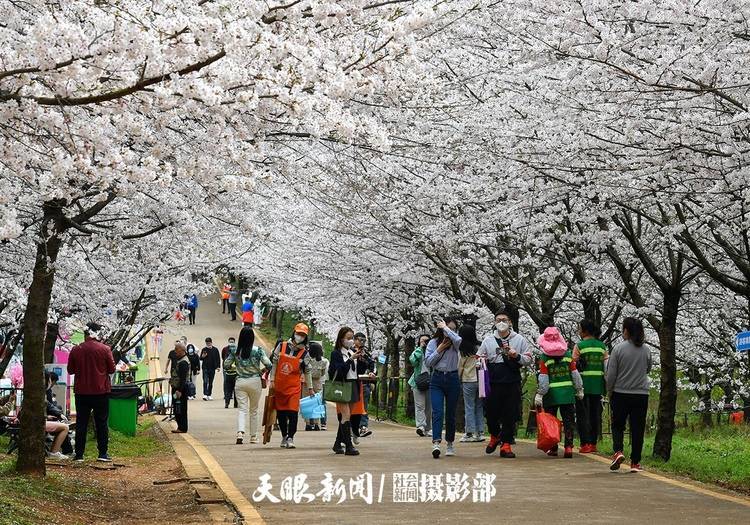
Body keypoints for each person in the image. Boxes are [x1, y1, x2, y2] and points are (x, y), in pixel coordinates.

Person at [477, 309, 532, 459]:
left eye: (504, 320)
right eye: (498, 320)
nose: (501, 323)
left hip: (511, 380)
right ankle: (495, 435)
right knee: (491, 412)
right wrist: (481, 361)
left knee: (510, 413)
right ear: (494, 323)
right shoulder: (488, 340)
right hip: (493, 380)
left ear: (510, 322)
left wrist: (516, 355)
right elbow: (479, 358)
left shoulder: (519, 339)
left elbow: (528, 359)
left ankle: (506, 444)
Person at [607, 317, 652, 473]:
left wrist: (609, 390)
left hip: (621, 393)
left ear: (626, 330)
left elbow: (611, 374)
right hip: (641, 394)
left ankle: (618, 451)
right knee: (637, 428)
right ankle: (635, 462)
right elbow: (648, 369)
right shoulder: (646, 349)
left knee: (618, 425)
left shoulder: (618, 349)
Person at [67, 322, 116, 462]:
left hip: (82, 392)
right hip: (101, 391)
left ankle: (79, 454)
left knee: (81, 423)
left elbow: (70, 370)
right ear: (98, 333)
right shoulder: (105, 349)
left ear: (85, 333)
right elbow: (112, 369)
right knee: (101, 422)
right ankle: (102, 453)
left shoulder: (76, 349)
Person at [535, 326, 584, 458]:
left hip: (551, 396)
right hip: (568, 394)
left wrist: (540, 394)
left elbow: (544, 380)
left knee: (551, 421)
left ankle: (554, 447)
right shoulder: (568, 356)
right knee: (568, 421)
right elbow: (575, 374)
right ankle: (568, 447)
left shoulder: (544, 358)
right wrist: (579, 389)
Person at [269, 323, 314, 448]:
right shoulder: (281, 346)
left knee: (293, 412)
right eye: (298, 333)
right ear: (294, 332)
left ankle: (291, 437)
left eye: (303, 335)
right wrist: (272, 380)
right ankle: (284, 436)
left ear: (305, 337)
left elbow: (308, 371)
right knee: (281, 413)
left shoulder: (305, 353)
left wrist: (310, 388)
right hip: (279, 385)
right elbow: (274, 364)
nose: (300, 336)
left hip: (294, 387)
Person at [225, 326, 271, 444]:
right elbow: (269, 364)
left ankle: (240, 432)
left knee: (242, 409)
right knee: (253, 410)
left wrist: (236, 368)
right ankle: (253, 436)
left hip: (240, 382)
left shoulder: (235, 350)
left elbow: (226, 365)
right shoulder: (258, 350)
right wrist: (262, 371)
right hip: (255, 381)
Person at [425, 318, 462, 459]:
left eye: (452, 329)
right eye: (447, 328)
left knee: (451, 413)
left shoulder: (456, 343)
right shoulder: (433, 343)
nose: (449, 331)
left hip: (453, 378)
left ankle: (450, 443)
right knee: (437, 411)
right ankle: (436, 442)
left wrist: (446, 329)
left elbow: (458, 340)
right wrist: (439, 349)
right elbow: (428, 362)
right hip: (437, 379)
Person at [329, 327, 368, 456]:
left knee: (348, 415)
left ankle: (337, 443)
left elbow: (359, 371)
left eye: (352, 338)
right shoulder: (336, 353)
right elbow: (339, 371)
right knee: (345, 415)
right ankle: (349, 446)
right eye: (348, 338)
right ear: (341, 339)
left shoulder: (352, 352)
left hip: (353, 385)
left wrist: (361, 360)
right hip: (341, 385)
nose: (351, 341)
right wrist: (350, 359)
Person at [573, 319, 608, 453]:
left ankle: (585, 443)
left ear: (585, 330)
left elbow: (573, 366)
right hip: (597, 385)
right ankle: (593, 443)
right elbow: (606, 367)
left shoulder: (580, 346)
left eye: (579, 328)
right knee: (595, 415)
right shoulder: (602, 346)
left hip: (582, 385)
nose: (578, 331)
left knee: (582, 414)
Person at [458, 324, 484, 443]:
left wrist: (458, 378)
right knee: (479, 406)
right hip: (481, 379)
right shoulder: (480, 346)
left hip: (468, 379)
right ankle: (480, 432)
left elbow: (460, 367)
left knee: (469, 406)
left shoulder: (462, 349)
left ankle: (469, 432)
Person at [408, 334, 432, 437]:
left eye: (426, 341)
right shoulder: (417, 352)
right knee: (419, 405)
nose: (425, 343)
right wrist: (420, 348)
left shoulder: (433, 352)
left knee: (429, 407)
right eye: (422, 341)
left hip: (430, 382)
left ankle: (428, 428)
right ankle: (421, 426)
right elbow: (412, 361)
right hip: (418, 382)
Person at [352, 332, 374, 436]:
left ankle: (363, 427)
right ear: (355, 340)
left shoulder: (366, 353)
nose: (362, 342)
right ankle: (352, 427)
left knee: (364, 406)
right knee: (352, 406)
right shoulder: (349, 351)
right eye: (360, 340)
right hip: (351, 382)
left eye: (364, 340)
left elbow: (371, 364)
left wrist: (371, 371)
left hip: (364, 382)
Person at [305, 341, 329, 431]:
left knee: (307, 403)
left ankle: (308, 423)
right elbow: (322, 373)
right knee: (317, 403)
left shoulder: (307, 360)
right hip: (318, 382)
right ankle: (316, 423)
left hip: (307, 382)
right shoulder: (323, 361)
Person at [170, 342, 191, 433]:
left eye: (176, 349)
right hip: (177, 387)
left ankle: (182, 427)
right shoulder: (181, 359)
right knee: (177, 407)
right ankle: (180, 426)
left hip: (180, 389)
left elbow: (183, 378)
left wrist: (179, 390)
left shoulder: (183, 362)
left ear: (182, 350)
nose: (175, 351)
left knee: (180, 408)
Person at [221, 337, 239, 408]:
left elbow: (225, 364)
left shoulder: (228, 357)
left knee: (228, 389)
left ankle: (227, 403)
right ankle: (236, 404)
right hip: (236, 374)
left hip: (228, 374)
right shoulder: (238, 356)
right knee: (236, 389)